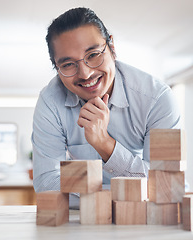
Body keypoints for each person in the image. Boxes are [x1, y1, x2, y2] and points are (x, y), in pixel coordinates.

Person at [31, 7, 180, 208]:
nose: (85, 73)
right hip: (84, 220)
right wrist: (125, 194)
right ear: (57, 68)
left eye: (93, 54)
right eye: (68, 65)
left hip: (143, 217)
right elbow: (46, 184)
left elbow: (167, 186)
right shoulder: (50, 102)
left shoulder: (156, 98)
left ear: (112, 47)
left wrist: (104, 144)